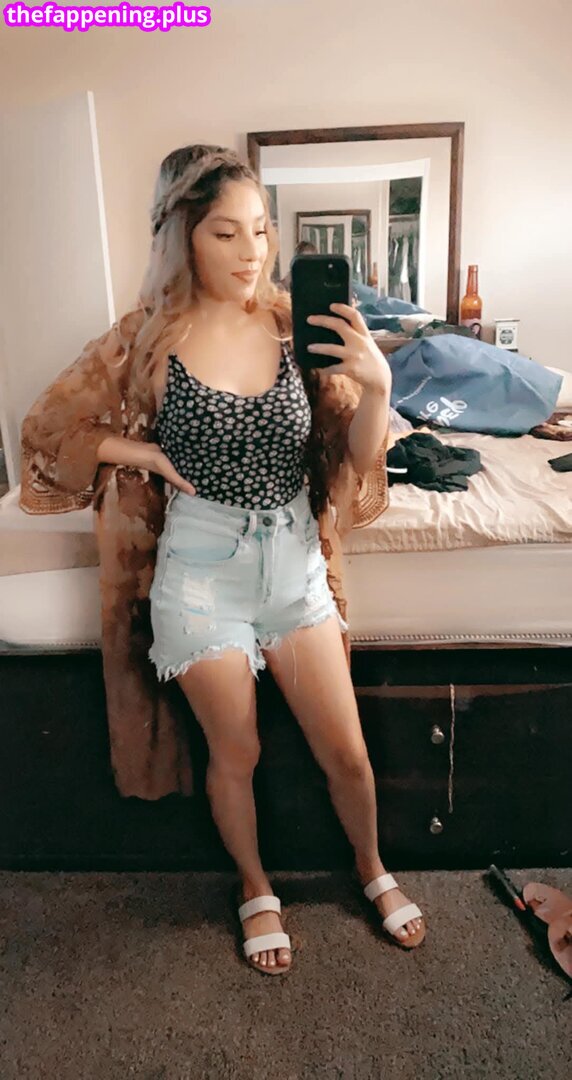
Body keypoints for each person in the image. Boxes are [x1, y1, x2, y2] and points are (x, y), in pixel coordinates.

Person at [19, 144, 425, 976]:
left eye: (262, 230)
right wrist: (142, 452)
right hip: (200, 573)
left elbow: (356, 458)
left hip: (293, 566)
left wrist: (379, 387)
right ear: (184, 238)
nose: (252, 253)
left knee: (348, 753)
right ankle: (254, 884)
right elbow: (48, 428)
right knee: (235, 754)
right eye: (226, 233)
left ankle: (371, 866)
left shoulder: (291, 325)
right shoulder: (146, 336)